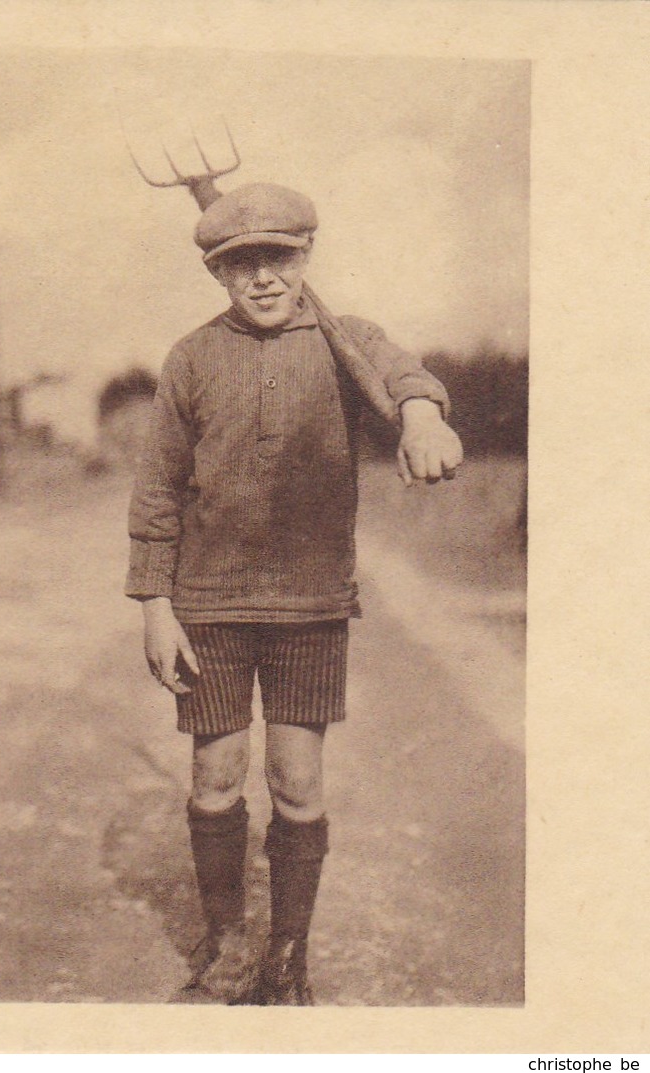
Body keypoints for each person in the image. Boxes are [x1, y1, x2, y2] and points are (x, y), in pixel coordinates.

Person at [126, 182, 463, 1005]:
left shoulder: (347, 340)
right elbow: (159, 490)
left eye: (277, 258)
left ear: (305, 256)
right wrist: (154, 604)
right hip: (206, 604)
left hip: (309, 604)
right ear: (218, 275)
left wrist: (421, 418)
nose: (263, 279)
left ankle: (287, 954)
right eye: (241, 265)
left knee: (296, 781)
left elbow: (406, 378)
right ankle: (226, 942)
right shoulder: (191, 358)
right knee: (214, 775)